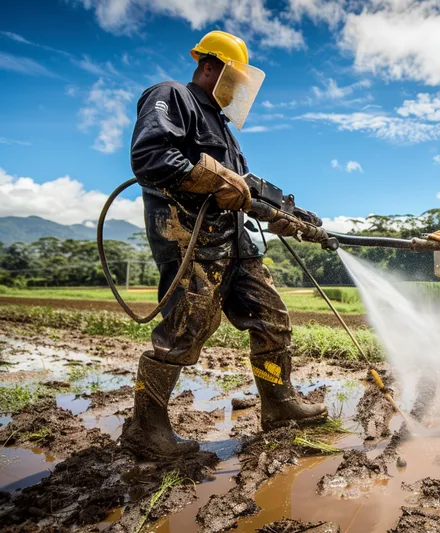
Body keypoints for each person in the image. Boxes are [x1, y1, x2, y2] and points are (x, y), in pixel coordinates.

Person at [121, 30, 327, 460]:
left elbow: (248, 190)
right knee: (185, 331)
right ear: (210, 66)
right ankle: (145, 429)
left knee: (272, 320)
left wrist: (296, 216)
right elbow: (151, 156)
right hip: (193, 242)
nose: (237, 91)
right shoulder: (172, 95)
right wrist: (214, 178)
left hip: (239, 247)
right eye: (233, 78)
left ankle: (279, 406)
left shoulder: (225, 129)